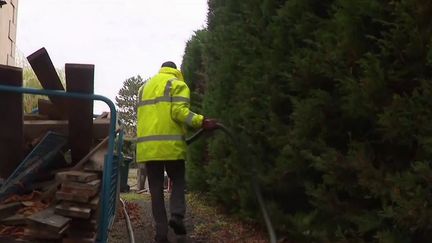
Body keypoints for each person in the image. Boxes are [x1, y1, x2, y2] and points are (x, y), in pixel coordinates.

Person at [136, 61, 218, 243]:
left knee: (156, 190)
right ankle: (177, 216)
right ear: (175, 71)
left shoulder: (143, 88)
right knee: (178, 180)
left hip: (149, 149)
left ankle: (161, 233)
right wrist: (201, 121)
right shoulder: (177, 84)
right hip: (171, 145)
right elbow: (180, 112)